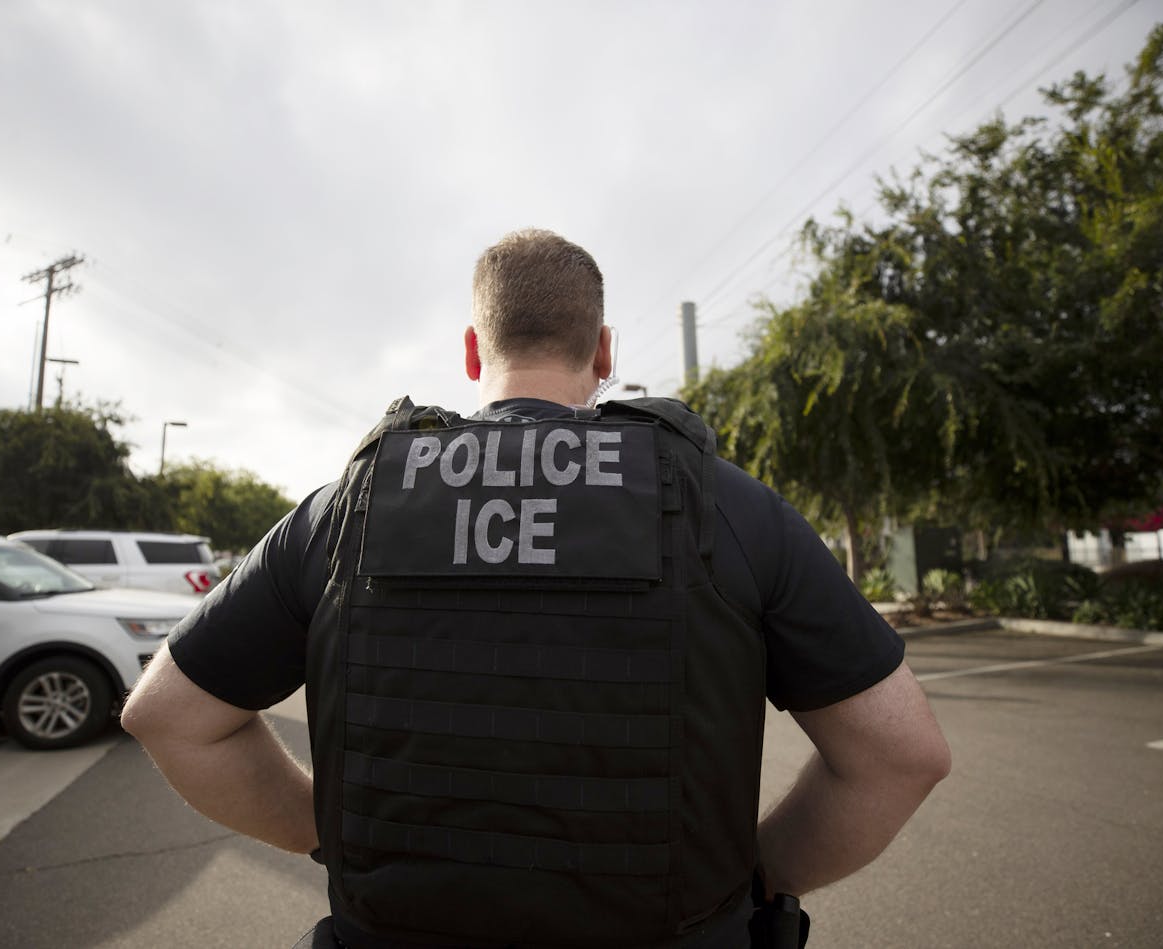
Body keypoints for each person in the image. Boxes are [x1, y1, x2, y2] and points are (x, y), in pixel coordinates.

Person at [122, 228, 951, 949]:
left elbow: (167, 716)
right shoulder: (724, 502)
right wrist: (759, 873)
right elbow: (900, 755)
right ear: (604, 353)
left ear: (474, 351)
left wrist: (320, 827)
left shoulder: (352, 506)